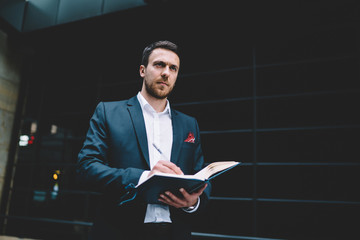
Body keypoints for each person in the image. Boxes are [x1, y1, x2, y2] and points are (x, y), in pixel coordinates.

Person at [77, 40, 211, 240]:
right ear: (142, 70)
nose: (166, 72)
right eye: (159, 65)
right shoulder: (108, 112)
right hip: (119, 231)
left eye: (173, 68)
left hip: (175, 233)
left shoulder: (189, 124)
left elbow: (201, 176)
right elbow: (87, 167)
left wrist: (193, 202)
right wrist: (142, 178)